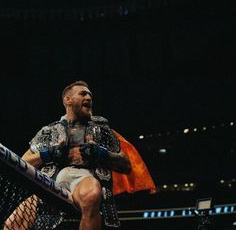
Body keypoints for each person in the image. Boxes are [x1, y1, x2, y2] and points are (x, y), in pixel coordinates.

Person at [4, 80, 155, 230]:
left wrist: (101, 153)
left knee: (91, 194)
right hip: (50, 182)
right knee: (12, 224)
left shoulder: (101, 130)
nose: (88, 98)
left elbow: (126, 165)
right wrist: (48, 154)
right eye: (83, 94)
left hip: (84, 178)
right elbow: (23, 163)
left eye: (90, 96)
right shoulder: (49, 131)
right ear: (67, 100)